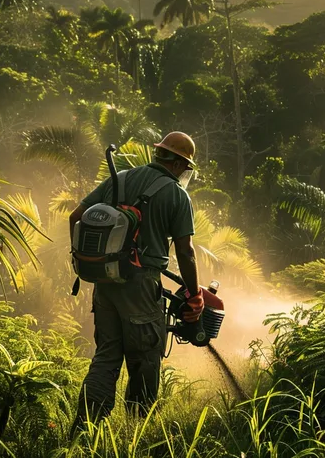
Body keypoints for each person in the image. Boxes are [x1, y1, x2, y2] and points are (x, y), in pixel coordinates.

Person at [68, 132, 205, 436]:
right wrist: (195, 296)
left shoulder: (123, 178)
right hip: (142, 287)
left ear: (159, 155)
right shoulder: (177, 195)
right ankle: (135, 436)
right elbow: (185, 251)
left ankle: (82, 433)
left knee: (106, 357)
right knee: (145, 359)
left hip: (105, 282)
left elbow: (76, 217)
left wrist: (82, 258)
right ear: (181, 163)